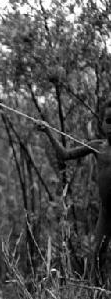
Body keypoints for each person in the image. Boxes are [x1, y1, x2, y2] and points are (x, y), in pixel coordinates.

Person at [36, 102, 111, 285]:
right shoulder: (97, 146)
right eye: (109, 120)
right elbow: (65, 155)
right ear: (101, 123)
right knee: (96, 254)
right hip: (106, 212)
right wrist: (48, 132)